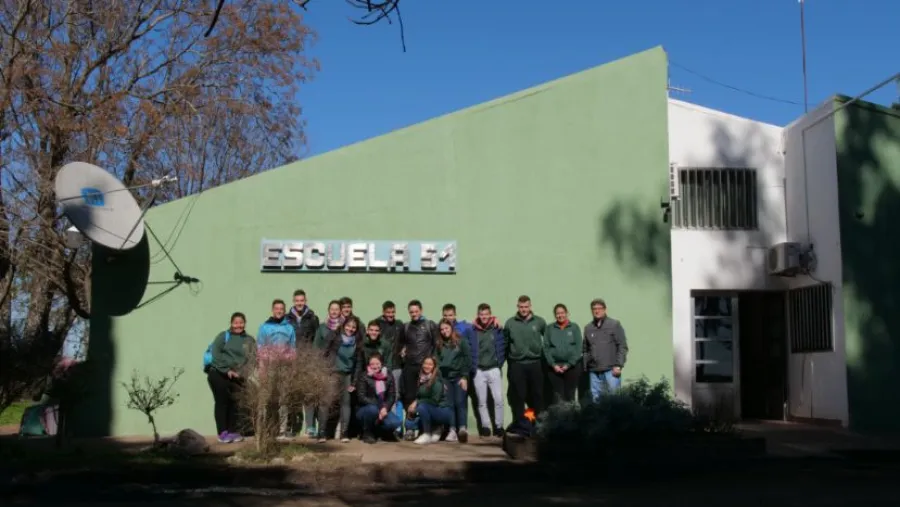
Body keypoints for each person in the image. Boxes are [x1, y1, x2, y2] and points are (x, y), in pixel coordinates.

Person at [207, 312, 256, 444]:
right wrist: (227, 370)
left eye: (241, 322)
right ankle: (222, 433)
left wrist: (243, 373)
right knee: (222, 402)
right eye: (236, 322)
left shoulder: (249, 340)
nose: (238, 325)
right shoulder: (223, 336)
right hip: (218, 374)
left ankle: (232, 431)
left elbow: (252, 359)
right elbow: (216, 355)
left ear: (245, 323)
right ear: (231, 323)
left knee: (236, 403)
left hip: (237, 376)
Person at [256, 299, 297, 441]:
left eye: (281, 309)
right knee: (267, 399)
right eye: (276, 308)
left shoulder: (289, 328)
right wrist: (263, 368)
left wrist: (291, 364)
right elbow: (260, 348)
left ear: (284, 311)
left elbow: (293, 348)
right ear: (272, 310)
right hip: (269, 367)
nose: (279, 311)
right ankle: (266, 429)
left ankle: (282, 430)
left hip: (284, 367)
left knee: (283, 400)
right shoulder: (264, 327)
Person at [503, 295, 547, 420]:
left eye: (526, 307)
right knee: (518, 396)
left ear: (530, 306)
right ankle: (521, 424)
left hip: (535, 363)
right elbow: (505, 343)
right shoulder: (510, 323)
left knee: (536, 395)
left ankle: (537, 423)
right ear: (517, 307)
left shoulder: (539, 322)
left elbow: (548, 340)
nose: (524, 309)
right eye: (521, 307)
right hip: (517, 364)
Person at [306, 299, 343, 440]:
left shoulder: (345, 327)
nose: (334, 311)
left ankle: (334, 430)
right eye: (332, 309)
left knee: (336, 401)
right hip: (324, 369)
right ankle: (322, 431)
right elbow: (316, 347)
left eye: (337, 309)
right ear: (328, 311)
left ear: (340, 311)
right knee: (324, 401)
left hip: (339, 368)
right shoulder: (322, 328)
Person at [285, 289, 319, 436]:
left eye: (302, 300)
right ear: (293, 301)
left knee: (309, 393)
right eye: (297, 300)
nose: (299, 303)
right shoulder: (287, 319)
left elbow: (316, 340)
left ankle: (310, 427)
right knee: (293, 394)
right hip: (291, 361)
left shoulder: (313, 318)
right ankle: (293, 426)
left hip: (308, 361)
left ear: (305, 301)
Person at [398, 300, 439, 417]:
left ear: (421, 310)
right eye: (411, 312)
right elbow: (400, 345)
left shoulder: (430, 325)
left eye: (416, 311)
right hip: (409, 367)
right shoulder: (405, 327)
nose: (414, 314)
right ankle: (411, 423)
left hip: (425, 367)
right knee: (409, 396)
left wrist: (432, 365)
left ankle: (424, 422)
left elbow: (436, 346)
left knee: (425, 395)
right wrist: (402, 352)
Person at [324, 318, 362, 443]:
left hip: (348, 376)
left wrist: (354, 382)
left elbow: (358, 364)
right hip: (333, 373)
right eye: (348, 326)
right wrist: (325, 371)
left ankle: (344, 433)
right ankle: (324, 432)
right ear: (343, 325)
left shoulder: (357, 343)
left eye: (353, 327)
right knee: (329, 402)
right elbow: (325, 353)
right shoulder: (334, 337)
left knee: (346, 403)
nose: (350, 329)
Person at [583, 298, 628, 401]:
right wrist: (586, 365)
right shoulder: (588, 328)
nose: (597, 311)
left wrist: (618, 365)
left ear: (604, 309)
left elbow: (622, 346)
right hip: (594, 371)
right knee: (596, 400)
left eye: (599, 308)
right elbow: (585, 349)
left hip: (611, 371)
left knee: (614, 399)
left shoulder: (614, 324)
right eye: (594, 309)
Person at [471, 303, 506, 438]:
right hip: (479, 370)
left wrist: (499, 363)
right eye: (481, 314)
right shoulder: (472, 330)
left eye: (486, 314)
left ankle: (499, 426)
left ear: (490, 315)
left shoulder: (497, 329)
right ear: (478, 315)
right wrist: (473, 367)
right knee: (481, 401)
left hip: (494, 369)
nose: (484, 317)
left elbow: (504, 344)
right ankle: (485, 427)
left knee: (498, 399)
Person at [435, 318, 472, 443]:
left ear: (451, 328)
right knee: (448, 404)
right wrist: (440, 381)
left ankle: (462, 428)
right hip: (445, 378)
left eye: (446, 328)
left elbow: (467, 359)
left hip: (459, 377)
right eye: (442, 329)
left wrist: (464, 377)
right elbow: (436, 363)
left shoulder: (461, 341)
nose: (444, 331)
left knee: (460, 402)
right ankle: (452, 430)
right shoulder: (439, 344)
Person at [355, 353, 401, 444]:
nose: (375, 366)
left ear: (381, 364)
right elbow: (361, 397)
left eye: (377, 363)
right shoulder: (364, 376)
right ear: (369, 365)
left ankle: (380, 433)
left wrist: (385, 408)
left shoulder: (389, 376)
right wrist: (379, 407)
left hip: (383, 407)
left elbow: (391, 395)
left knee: (395, 423)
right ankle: (367, 433)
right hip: (365, 409)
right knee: (373, 410)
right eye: (372, 364)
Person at [408, 356, 453, 445]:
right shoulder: (422, 379)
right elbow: (421, 396)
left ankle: (427, 434)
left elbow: (434, 401)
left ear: (434, 367)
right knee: (409, 422)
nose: (427, 366)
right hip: (431, 409)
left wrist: (417, 402)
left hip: (443, 411)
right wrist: (415, 403)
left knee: (421, 407)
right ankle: (436, 428)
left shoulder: (437, 380)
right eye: (425, 363)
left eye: (430, 364)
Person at [543, 303, 583, 404]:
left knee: (570, 395)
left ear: (567, 313)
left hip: (572, 367)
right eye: (557, 313)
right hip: (554, 368)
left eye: (562, 313)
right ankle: (560, 414)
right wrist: (553, 365)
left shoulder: (574, 327)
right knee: (558, 396)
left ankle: (571, 414)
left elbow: (579, 348)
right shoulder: (549, 328)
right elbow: (546, 348)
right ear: (555, 315)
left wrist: (568, 364)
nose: (560, 315)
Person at [375, 300, 404, 401]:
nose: (391, 315)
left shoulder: (399, 324)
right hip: (381, 366)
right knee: (380, 393)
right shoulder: (377, 323)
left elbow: (405, 340)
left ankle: (394, 411)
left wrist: (405, 348)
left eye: (393, 312)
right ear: (383, 312)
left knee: (395, 393)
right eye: (388, 312)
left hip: (396, 364)